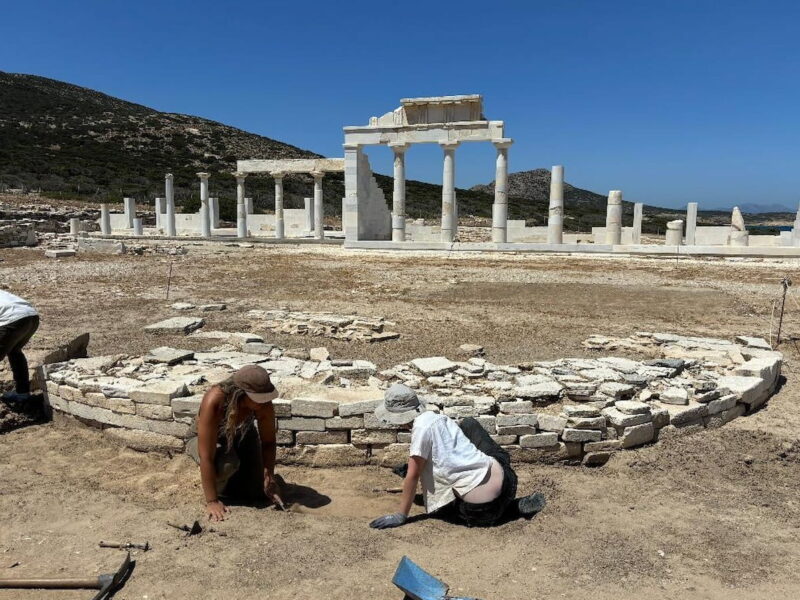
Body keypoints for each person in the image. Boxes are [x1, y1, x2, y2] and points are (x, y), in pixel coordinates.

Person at [369, 384, 546, 529]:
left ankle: (512, 509)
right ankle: (507, 503)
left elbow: (413, 476)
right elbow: (447, 452)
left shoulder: (420, 430)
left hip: (483, 510)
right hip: (507, 478)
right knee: (469, 425)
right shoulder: (438, 418)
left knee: (440, 509)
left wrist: (400, 515)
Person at [187, 364, 283, 521]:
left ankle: (237, 481)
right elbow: (206, 456)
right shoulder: (215, 400)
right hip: (205, 440)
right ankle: (218, 489)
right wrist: (212, 501)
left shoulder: (263, 403)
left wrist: (269, 476)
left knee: (258, 492)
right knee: (227, 465)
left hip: (241, 436)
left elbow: (268, 442)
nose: (263, 403)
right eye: (258, 399)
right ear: (240, 394)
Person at [0, 290, 40, 402]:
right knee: (14, 351)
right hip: (31, 316)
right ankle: (22, 393)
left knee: (14, 351)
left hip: (12, 319)